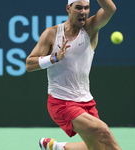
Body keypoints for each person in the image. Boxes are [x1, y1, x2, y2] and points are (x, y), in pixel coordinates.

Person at [26, 0, 121, 149]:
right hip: (61, 103)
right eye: (78, 8)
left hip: (86, 100)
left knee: (99, 147)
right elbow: (29, 64)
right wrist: (53, 58)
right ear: (68, 9)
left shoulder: (90, 28)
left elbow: (110, 9)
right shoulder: (51, 34)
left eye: (86, 8)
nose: (83, 11)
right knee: (104, 132)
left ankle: (59, 147)